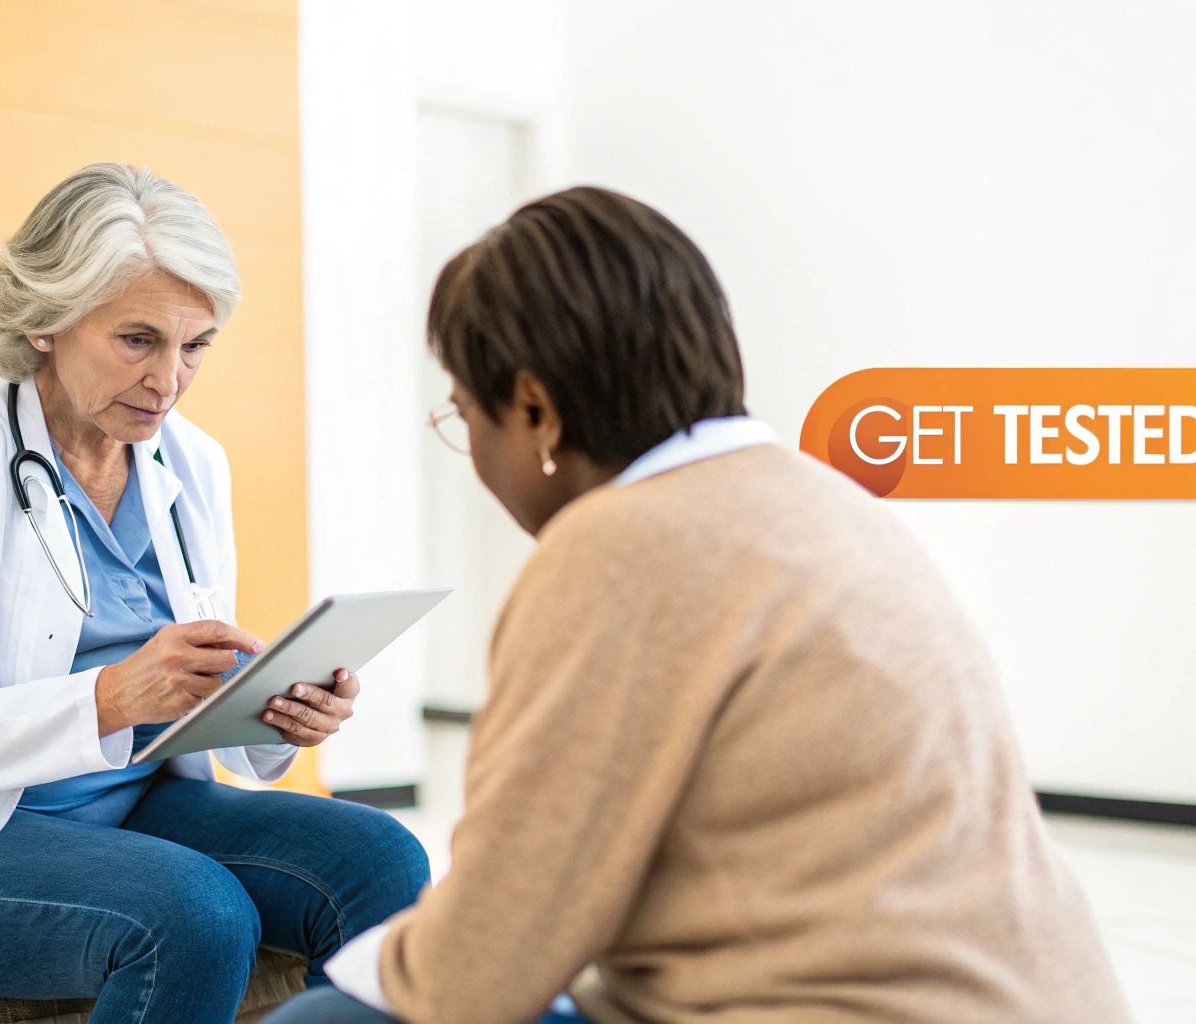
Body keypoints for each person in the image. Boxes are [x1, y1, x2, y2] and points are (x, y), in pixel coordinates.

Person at [265, 186, 1130, 1023]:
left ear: (535, 409)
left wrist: (360, 969)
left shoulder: (616, 549)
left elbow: (479, 972)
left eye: (466, 416)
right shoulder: (824, 504)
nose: (478, 459)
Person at [0, 163, 429, 1024]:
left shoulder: (192, 462)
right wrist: (109, 697)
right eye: (137, 339)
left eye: (197, 344)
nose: (170, 380)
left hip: (142, 803)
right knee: (198, 914)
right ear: (46, 323)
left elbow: (196, 695)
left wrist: (275, 713)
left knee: (384, 863)